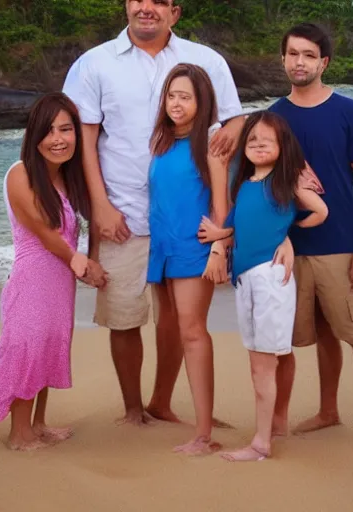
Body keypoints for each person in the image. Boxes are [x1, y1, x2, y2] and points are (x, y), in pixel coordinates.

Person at [62, 0, 246, 426]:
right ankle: (132, 410)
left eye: (159, 1)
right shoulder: (94, 64)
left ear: (175, 12)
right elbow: (84, 141)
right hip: (122, 213)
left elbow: (233, 125)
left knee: (177, 320)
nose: (147, 7)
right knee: (124, 314)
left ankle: (161, 402)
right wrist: (99, 206)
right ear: (126, 5)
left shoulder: (205, 61)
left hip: (186, 219)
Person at [268, 23, 353, 443]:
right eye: (292, 54)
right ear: (283, 59)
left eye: (308, 55)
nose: (299, 62)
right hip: (290, 248)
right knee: (320, 333)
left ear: (323, 62)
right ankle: (328, 411)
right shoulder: (273, 117)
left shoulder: (349, 112)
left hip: (340, 246)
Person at [198, 111, 327, 461]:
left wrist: (288, 234)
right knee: (258, 360)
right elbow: (241, 223)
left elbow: (320, 211)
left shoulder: (285, 184)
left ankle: (261, 444)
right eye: (252, 139)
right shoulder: (246, 186)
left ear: (282, 147)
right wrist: (219, 237)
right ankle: (267, 433)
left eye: (266, 140)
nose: (257, 145)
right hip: (246, 281)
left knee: (262, 365)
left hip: (270, 278)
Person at [0, 92, 107, 451]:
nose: (58, 139)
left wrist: (87, 260)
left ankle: (37, 424)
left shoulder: (65, 180)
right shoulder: (20, 174)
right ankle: (18, 434)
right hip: (32, 280)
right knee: (27, 350)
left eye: (66, 130)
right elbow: (43, 231)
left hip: (58, 283)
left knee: (47, 350)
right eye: (50, 131)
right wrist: (81, 263)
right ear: (34, 135)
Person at [146, 63, 231, 455]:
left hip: (193, 249)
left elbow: (221, 205)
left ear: (202, 102)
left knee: (193, 333)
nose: (176, 103)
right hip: (161, 249)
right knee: (172, 329)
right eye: (172, 95)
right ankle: (199, 416)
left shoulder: (210, 144)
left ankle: (203, 434)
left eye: (186, 97)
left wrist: (218, 248)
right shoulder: (162, 141)